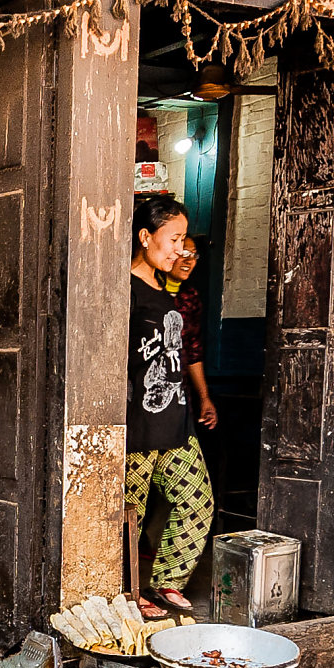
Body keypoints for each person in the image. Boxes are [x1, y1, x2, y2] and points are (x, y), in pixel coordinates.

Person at [126, 197, 214, 615]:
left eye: (184, 239)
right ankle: (127, 594)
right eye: (173, 238)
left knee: (197, 501)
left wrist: (197, 401)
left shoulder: (167, 290)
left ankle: (166, 583)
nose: (181, 249)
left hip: (176, 423)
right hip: (136, 427)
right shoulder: (122, 290)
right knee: (130, 517)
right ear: (145, 237)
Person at [166, 234, 217, 429]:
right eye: (183, 253)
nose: (189, 260)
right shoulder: (145, 293)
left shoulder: (190, 297)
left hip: (180, 395)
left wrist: (204, 398)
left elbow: (193, 350)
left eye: (194, 255)